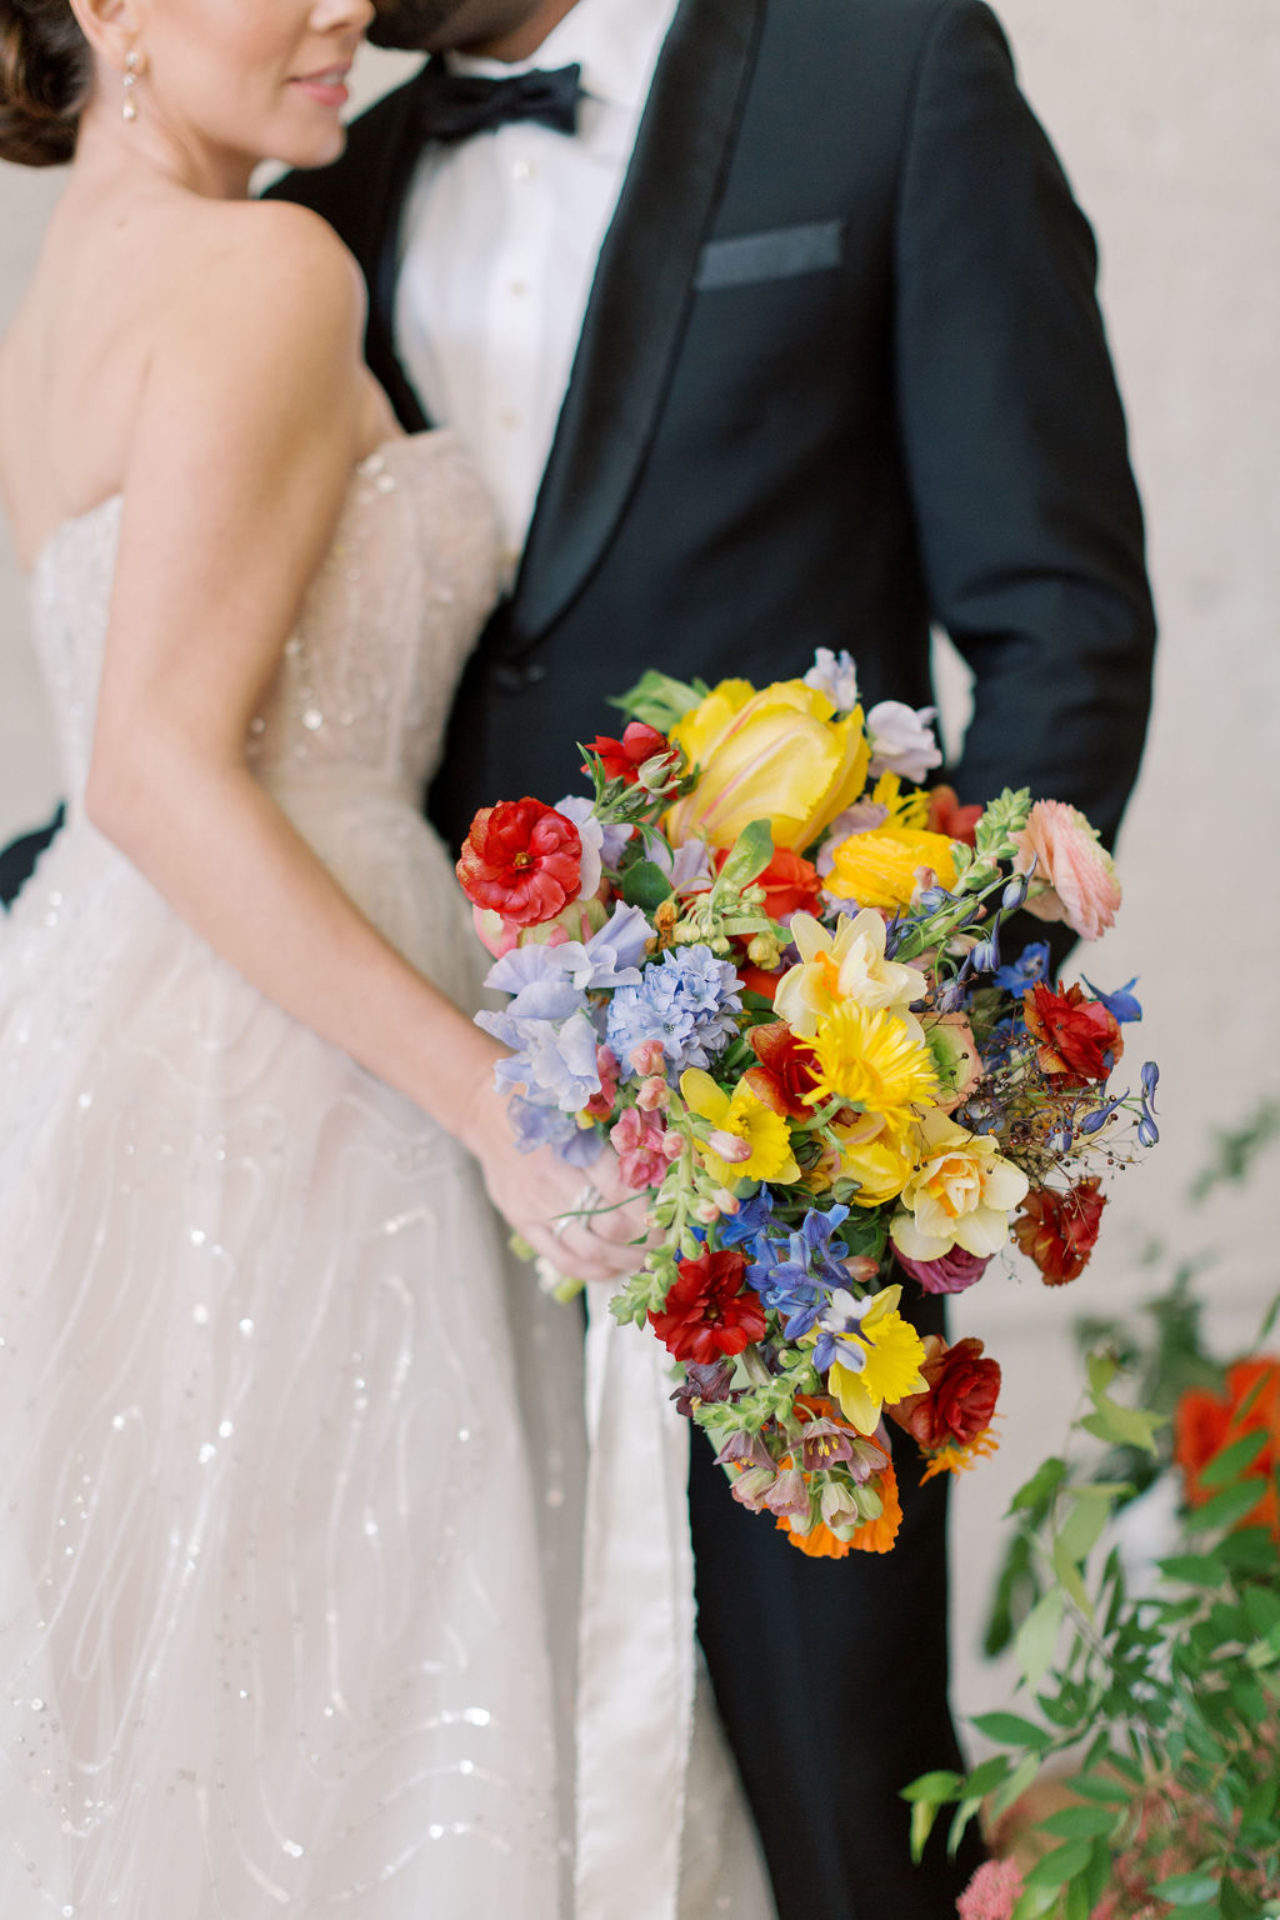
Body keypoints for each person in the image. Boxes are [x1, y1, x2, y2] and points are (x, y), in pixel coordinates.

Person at [262, 0, 1154, 1913]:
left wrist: (911, 1056)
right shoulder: (324, 170)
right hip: (392, 1141)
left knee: (836, 1800)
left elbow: (1059, 618)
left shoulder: (888, 66)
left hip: (785, 1177)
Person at [0, 2, 779, 1912]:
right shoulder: (269, 265)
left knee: (195, 1750)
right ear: (110, 7)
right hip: (306, 1085)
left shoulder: (66, 287)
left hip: (113, 1039)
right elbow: (157, 773)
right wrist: (497, 1105)